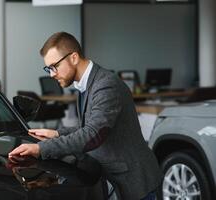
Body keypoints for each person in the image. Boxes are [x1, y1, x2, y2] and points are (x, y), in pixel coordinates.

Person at [9, 32, 162, 200]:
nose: (51, 74)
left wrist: (41, 149)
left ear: (73, 58)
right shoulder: (86, 84)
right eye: (48, 69)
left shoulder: (105, 85)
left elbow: (93, 134)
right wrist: (57, 134)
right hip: (111, 177)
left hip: (133, 181)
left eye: (54, 66)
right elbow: (89, 127)